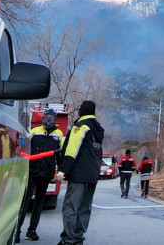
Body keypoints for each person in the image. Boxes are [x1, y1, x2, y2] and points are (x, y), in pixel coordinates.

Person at [57, 101, 104, 245]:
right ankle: (78, 238)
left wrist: (63, 169)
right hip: (93, 175)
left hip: (79, 174)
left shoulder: (80, 127)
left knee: (71, 207)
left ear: (81, 111)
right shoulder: (97, 129)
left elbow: (72, 150)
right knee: (84, 208)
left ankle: (67, 240)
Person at [16, 108, 64, 243]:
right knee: (25, 202)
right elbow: (24, 146)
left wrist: (61, 170)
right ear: (42, 117)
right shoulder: (35, 131)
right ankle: (17, 231)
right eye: (46, 116)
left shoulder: (58, 134)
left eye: (50, 116)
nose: (47, 119)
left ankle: (31, 231)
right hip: (31, 171)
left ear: (54, 118)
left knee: (39, 203)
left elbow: (59, 154)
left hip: (46, 173)